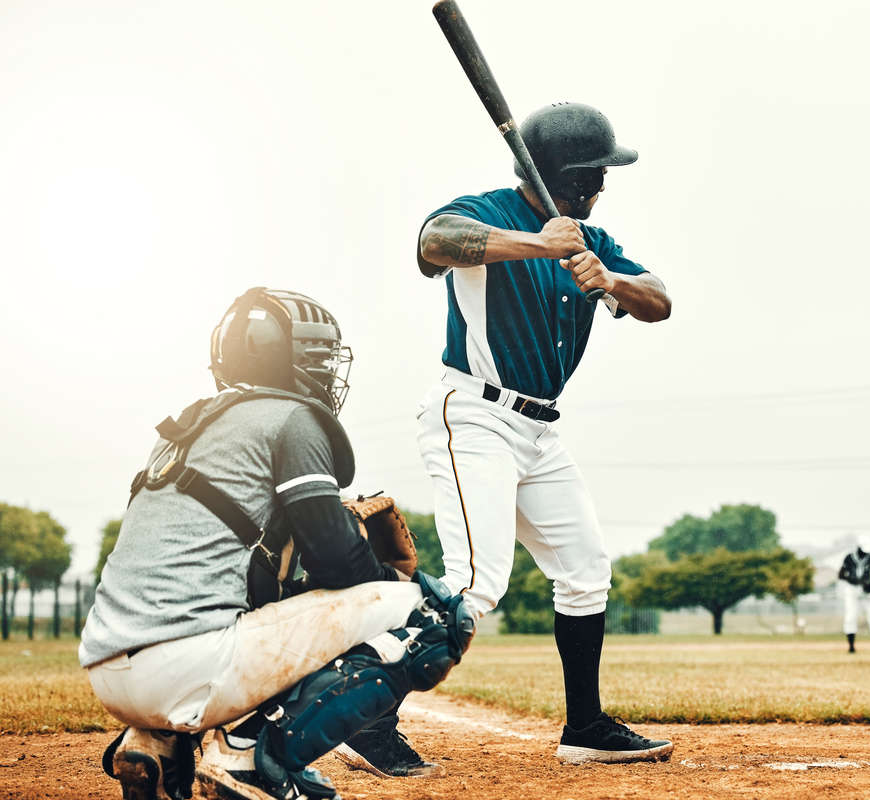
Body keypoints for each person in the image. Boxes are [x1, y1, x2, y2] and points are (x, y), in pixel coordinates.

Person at [357, 101, 672, 768]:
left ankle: (584, 728)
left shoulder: (591, 238)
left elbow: (659, 300)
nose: (604, 186)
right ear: (574, 175)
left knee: (585, 571)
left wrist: (606, 276)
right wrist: (540, 245)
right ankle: (365, 719)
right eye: (597, 173)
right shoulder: (491, 210)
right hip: (472, 412)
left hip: (538, 430)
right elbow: (434, 242)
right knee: (476, 584)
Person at [79, 287, 474, 800]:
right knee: (437, 616)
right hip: (186, 665)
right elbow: (337, 560)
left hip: (110, 669)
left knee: (277, 584)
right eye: (317, 356)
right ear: (284, 358)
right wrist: (395, 580)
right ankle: (249, 755)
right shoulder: (292, 418)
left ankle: (157, 741)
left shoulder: (188, 425)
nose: (328, 370)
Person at [837, 535, 870, 654]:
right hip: (852, 590)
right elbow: (841, 575)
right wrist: (854, 580)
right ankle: (851, 647)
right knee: (850, 617)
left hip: (868, 591)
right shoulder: (849, 558)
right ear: (858, 547)